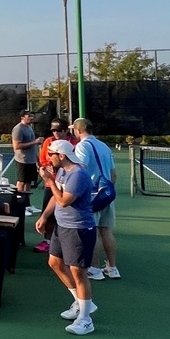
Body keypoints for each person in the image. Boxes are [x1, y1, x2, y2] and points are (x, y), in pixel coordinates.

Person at [34, 139, 97, 336]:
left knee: (78, 273)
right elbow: (55, 197)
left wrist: (49, 181)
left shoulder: (78, 175)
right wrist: (44, 216)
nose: (48, 158)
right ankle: (80, 303)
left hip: (78, 229)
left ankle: (86, 319)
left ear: (61, 156)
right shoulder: (62, 171)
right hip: (62, 227)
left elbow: (63, 200)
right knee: (55, 263)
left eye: (51, 154)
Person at [72, 117, 120, 280]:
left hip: (92, 195)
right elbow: (113, 174)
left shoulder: (82, 146)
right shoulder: (104, 146)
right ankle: (112, 268)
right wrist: (106, 191)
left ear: (78, 131)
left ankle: (95, 269)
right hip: (106, 193)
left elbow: (81, 171)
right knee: (106, 230)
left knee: (93, 232)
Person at [32, 118, 79, 254]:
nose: (55, 133)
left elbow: (75, 161)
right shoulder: (48, 141)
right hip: (52, 183)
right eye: (53, 130)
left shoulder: (75, 143)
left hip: (67, 183)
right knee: (50, 212)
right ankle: (48, 240)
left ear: (65, 130)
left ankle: (67, 244)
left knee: (68, 213)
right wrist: (48, 166)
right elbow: (42, 160)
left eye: (58, 130)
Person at [11, 110, 43, 195]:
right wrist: (35, 142)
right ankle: (18, 202)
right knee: (21, 182)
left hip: (31, 160)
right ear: (22, 118)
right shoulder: (18, 129)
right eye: (29, 116)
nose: (31, 118)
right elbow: (16, 146)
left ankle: (26, 203)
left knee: (28, 182)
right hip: (23, 160)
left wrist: (37, 159)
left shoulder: (29, 127)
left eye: (32, 116)